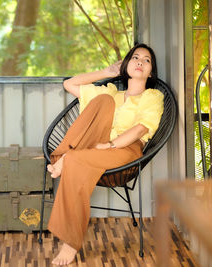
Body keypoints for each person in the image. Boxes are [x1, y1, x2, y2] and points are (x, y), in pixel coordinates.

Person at [46, 43, 164, 265]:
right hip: (95, 148)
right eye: (135, 57)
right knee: (103, 100)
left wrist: (111, 145)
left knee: (74, 161)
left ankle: (70, 243)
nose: (140, 61)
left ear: (150, 72)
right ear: (126, 65)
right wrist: (107, 72)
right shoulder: (111, 92)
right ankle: (67, 156)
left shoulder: (152, 96)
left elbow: (141, 128)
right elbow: (69, 84)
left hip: (125, 152)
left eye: (146, 60)